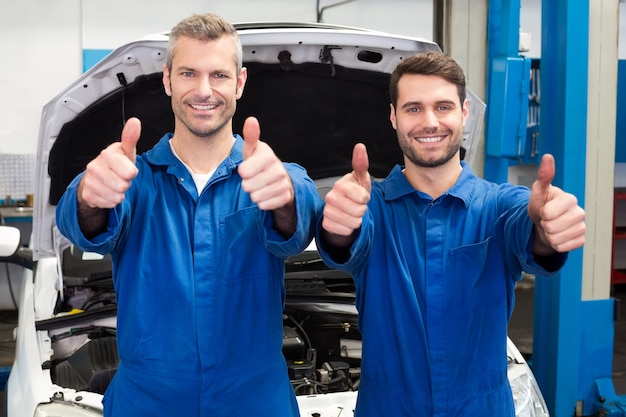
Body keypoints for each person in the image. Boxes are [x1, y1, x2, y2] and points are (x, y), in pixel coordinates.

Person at [56, 13, 321, 417]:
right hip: (148, 399)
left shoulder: (271, 177)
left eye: (218, 75)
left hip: (254, 399)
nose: (203, 90)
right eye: (188, 73)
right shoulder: (134, 180)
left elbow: (299, 211)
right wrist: (90, 199)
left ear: (240, 82)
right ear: (167, 80)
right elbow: (81, 222)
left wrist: (284, 200)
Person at [316, 51, 586, 416]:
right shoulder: (373, 207)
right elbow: (345, 242)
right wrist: (338, 225)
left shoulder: (499, 205)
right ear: (394, 116)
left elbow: (528, 232)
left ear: (464, 112)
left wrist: (547, 228)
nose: (429, 122)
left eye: (443, 107)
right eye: (413, 109)